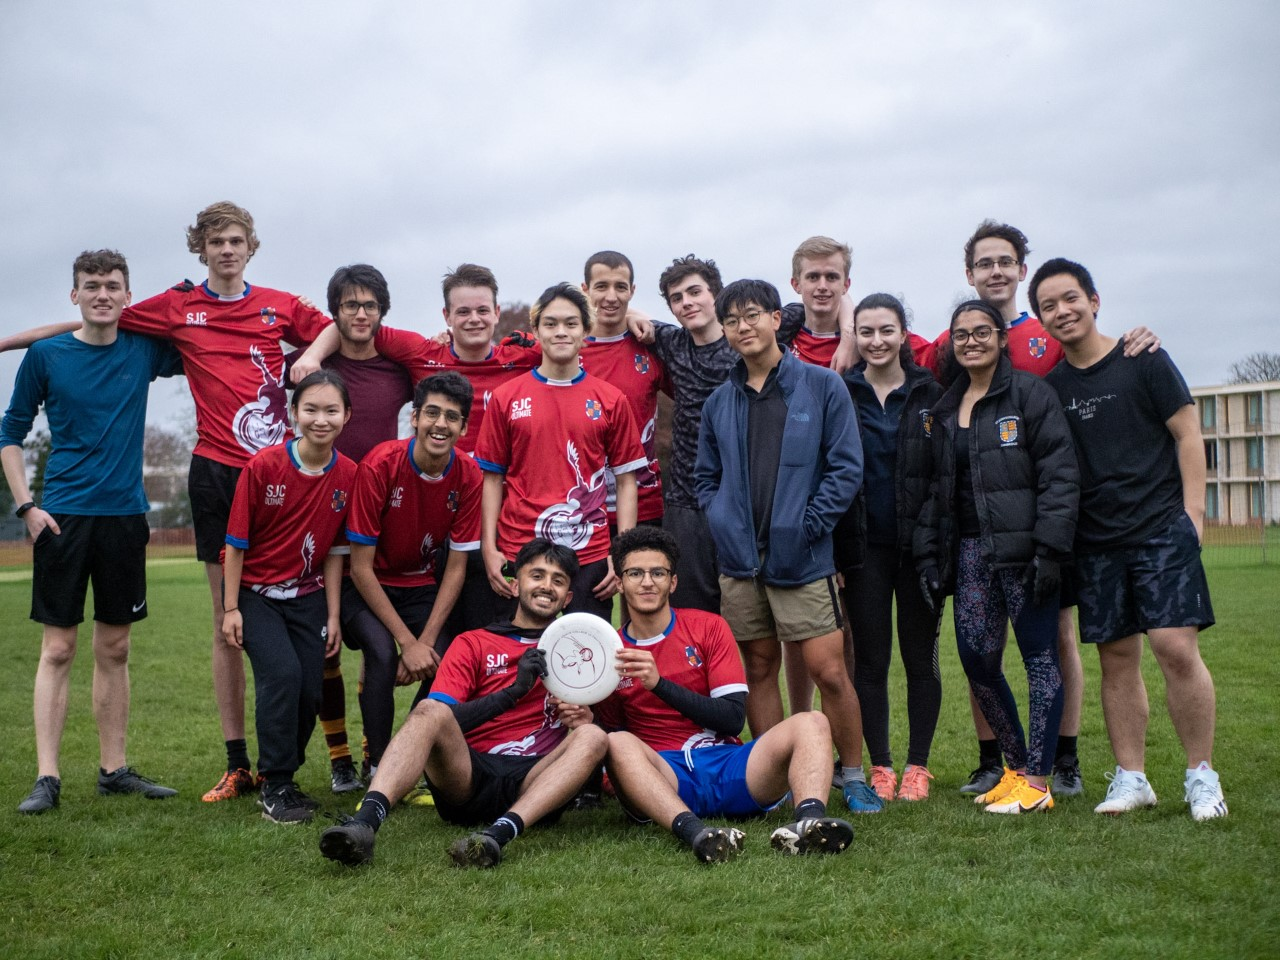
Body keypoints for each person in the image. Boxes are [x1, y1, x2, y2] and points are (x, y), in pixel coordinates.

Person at [0, 204, 337, 802]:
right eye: (215, 241)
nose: (227, 249)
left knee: (292, 615)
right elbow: (79, 335)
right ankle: (225, 764)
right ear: (200, 249)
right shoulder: (165, 313)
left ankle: (307, 758)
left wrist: (310, 358)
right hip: (171, 487)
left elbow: (339, 329)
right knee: (198, 627)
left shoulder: (261, 310)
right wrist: (8, 342)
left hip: (245, 484)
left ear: (251, 247)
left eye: (236, 240)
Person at [1033, 258, 1226, 821]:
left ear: (1094, 300)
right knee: (1116, 659)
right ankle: (1132, 777)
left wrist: (1193, 511)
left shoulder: (1145, 359)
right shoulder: (1053, 388)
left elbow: (1188, 432)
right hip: (1095, 542)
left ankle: (1201, 775)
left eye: (1070, 299)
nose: (1062, 311)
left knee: (1174, 648)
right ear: (1041, 319)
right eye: (1048, 305)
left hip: (1161, 529)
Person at [2, 249, 183, 813]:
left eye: (112, 285)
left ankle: (113, 769)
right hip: (62, 516)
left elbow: (203, 338)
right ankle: (47, 779)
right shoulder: (48, 355)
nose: (102, 293)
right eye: (90, 285)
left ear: (128, 295)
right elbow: (10, 432)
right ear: (74, 293)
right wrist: (27, 506)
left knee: (116, 646)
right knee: (58, 648)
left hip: (125, 517)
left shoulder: (144, 349)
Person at [693, 278, 878, 813]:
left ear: (777, 318)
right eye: (731, 320)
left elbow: (846, 468)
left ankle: (852, 773)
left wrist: (809, 525)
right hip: (740, 562)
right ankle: (773, 782)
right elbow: (706, 478)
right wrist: (724, 522)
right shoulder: (719, 402)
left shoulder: (822, 386)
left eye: (752, 315)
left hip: (804, 558)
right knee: (758, 668)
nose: (742, 327)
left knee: (829, 671)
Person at [318, 539, 609, 868]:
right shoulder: (473, 642)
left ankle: (495, 838)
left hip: (537, 781)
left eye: (558, 580)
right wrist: (512, 693)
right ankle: (363, 824)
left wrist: (585, 718)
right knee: (429, 710)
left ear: (568, 597)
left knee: (594, 737)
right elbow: (445, 720)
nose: (546, 586)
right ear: (514, 586)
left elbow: (604, 729)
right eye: (537, 575)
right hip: (469, 777)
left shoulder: (583, 650)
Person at [597, 528, 855, 862]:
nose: (647, 582)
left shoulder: (708, 626)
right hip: (665, 775)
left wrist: (658, 684)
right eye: (635, 573)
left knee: (813, 722)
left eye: (658, 572)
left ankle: (809, 824)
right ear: (619, 582)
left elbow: (732, 719)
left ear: (672, 582)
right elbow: (614, 737)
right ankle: (696, 834)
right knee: (617, 744)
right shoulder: (609, 652)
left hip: (726, 764)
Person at [915, 300, 1079, 814]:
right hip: (969, 555)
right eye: (961, 335)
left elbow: (1060, 473)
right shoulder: (945, 407)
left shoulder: (1030, 394)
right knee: (977, 660)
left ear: (1001, 337)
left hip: (1025, 553)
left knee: (1039, 661)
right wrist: (927, 556)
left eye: (981, 331)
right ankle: (1013, 768)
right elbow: (933, 491)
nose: (971, 341)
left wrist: (1050, 548)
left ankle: (1038, 780)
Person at [629, 256, 811, 615]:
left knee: (757, 623)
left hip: (748, 498)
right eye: (677, 298)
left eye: (695, 292)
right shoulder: (670, 342)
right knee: (692, 616)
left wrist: (851, 331)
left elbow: (818, 302)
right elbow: (605, 303)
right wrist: (633, 313)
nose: (687, 303)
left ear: (718, 295)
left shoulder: (751, 332)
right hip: (687, 502)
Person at [221, 370, 359, 823]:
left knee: (310, 689)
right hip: (258, 596)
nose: (321, 419)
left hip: (310, 597)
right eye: (311, 409)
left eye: (331, 410)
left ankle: (283, 777)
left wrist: (334, 615)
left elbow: (337, 553)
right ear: (294, 413)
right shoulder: (263, 467)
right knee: (281, 675)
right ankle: (276, 784)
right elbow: (236, 543)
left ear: (346, 416)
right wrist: (230, 608)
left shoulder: (349, 474)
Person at [305, 263, 415, 794]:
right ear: (335, 312)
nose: (360, 313)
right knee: (325, 645)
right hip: (318, 517)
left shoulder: (398, 370)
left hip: (376, 523)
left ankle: (378, 754)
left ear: (382, 311)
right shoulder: (308, 368)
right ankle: (340, 757)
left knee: (377, 647)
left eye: (369, 304)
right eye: (350, 304)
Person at [475, 283, 646, 620]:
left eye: (571, 323)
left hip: (590, 553)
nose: (561, 332)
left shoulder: (610, 399)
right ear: (536, 331)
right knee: (517, 659)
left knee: (584, 661)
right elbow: (492, 479)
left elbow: (627, 482)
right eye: (550, 324)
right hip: (518, 549)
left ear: (586, 331)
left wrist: (622, 552)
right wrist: (489, 548)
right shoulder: (506, 398)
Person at [344, 372, 482, 776]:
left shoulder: (468, 474)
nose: (441, 424)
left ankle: (412, 752)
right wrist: (407, 642)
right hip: (366, 588)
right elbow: (360, 567)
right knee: (383, 655)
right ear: (415, 418)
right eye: (432, 413)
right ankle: (378, 766)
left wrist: (424, 642)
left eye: (452, 417)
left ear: (464, 427)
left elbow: (455, 567)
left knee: (452, 656)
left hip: (420, 587)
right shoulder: (380, 464)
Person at [835, 294, 943, 802]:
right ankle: (880, 766)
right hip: (863, 551)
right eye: (866, 331)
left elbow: (946, 474)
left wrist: (936, 540)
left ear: (904, 334)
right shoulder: (841, 393)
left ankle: (918, 766)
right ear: (854, 336)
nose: (876, 341)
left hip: (920, 551)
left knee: (921, 658)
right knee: (870, 663)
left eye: (886, 330)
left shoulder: (930, 394)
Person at [579, 251, 667, 532]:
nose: (611, 297)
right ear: (585, 290)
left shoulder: (652, 345)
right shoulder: (563, 348)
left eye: (620, 287)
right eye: (601, 286)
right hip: (580, 510)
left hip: (645, 505)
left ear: (632, 291)